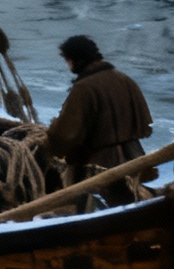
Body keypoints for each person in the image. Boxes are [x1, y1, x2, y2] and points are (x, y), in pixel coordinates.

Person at [45, 35, 153, 203]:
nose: (67, 65)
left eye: (67, 60)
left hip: (99, 166)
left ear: (75, 59)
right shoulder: (124, 79)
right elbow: (143, 122)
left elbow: (65, 135)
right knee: (135, 198)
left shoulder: (83, 88)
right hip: (134, 157)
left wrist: (51, 134)